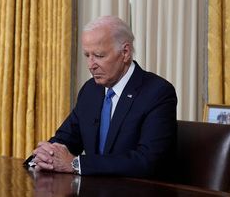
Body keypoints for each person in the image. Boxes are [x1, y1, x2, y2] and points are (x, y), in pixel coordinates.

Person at [29, 15, 177, 179]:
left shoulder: (157, 92)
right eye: (87, 55)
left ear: (125, 52)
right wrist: (43, 157)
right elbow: (66, 139)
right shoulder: (90, 90)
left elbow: (147, 161)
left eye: (99, 56)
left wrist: (76, 164)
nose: (91, 65)